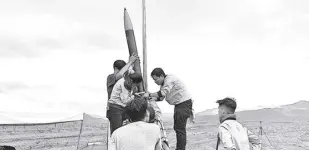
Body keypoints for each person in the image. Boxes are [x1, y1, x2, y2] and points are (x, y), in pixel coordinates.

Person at [143, 68, 193, 150]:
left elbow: (162, 93)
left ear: (161, 76)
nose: (155, 82)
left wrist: (149, 94)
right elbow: (161, 97)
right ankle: (180, 148)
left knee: (180, 129)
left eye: (156, 79)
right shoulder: (163, 84)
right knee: (178, 128)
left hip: (184, 104)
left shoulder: (169, 79)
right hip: (179, 105)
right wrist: (150, 98)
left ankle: (180, 149)